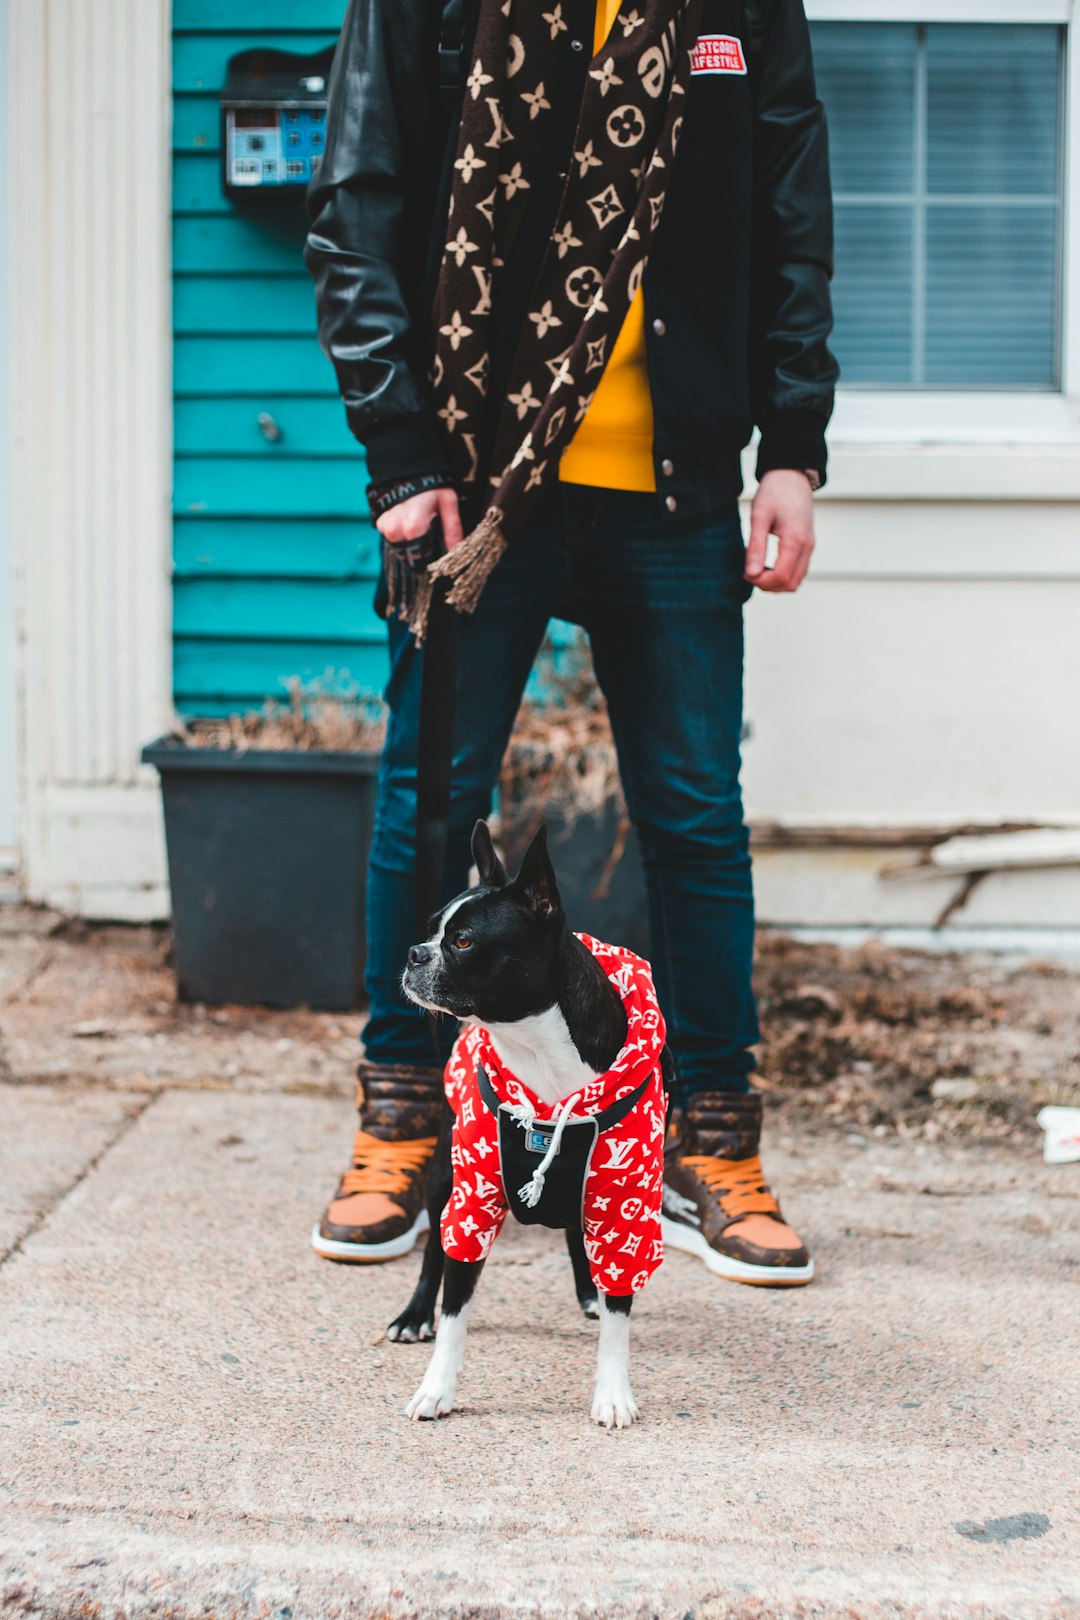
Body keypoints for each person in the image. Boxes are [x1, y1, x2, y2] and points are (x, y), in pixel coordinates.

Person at [304, 0, 838, 1284]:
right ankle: (406, 1113)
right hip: (478, 483)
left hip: (678, 484)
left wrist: (795, 448)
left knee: (696, 817)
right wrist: (400, 448)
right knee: (428, 803)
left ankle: (711, 1137)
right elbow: (358, 208)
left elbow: (789, 215)